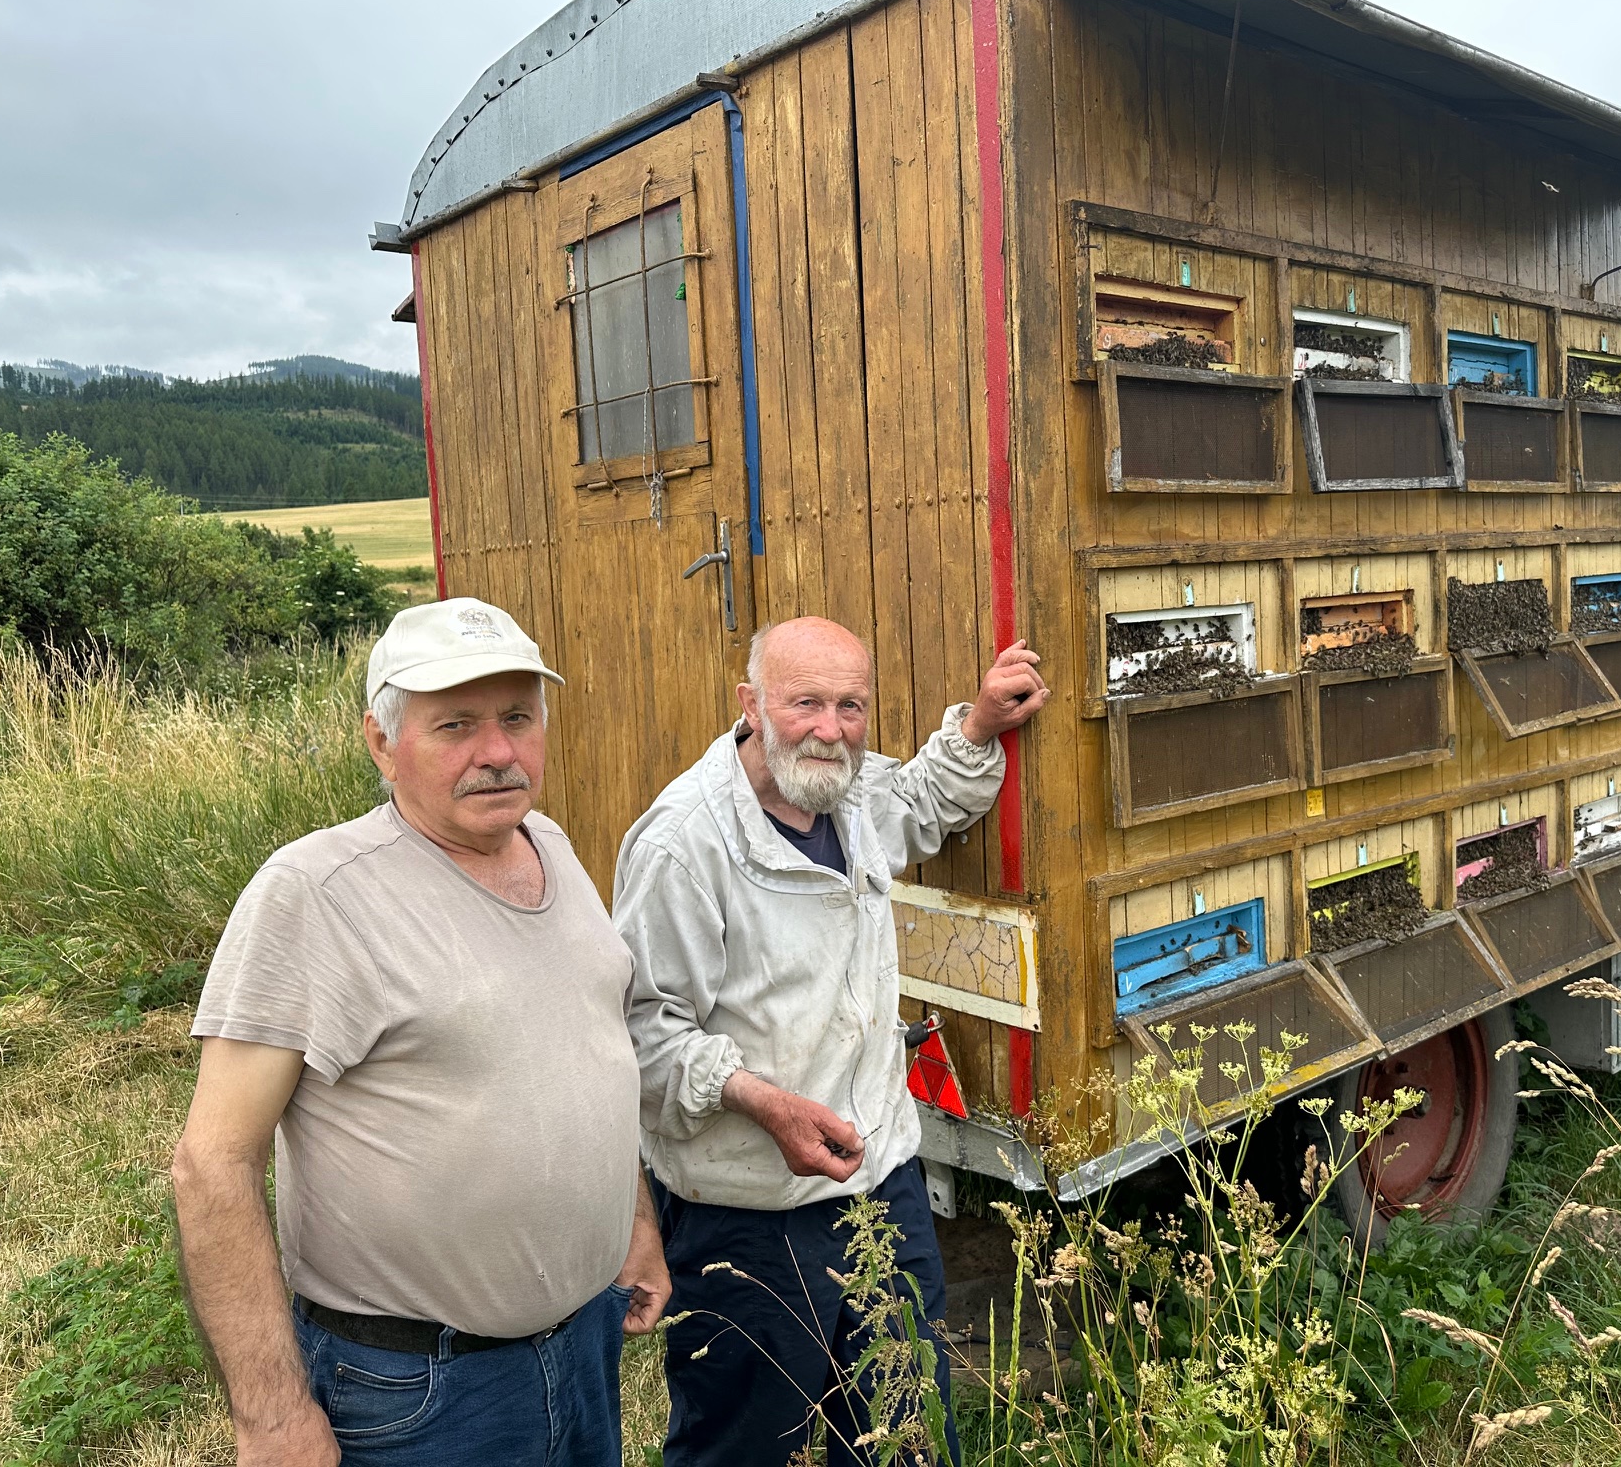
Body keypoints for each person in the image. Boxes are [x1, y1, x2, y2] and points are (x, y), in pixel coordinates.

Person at [172, 598, 668, 1466]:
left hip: (582, 1347)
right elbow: (211, 1163)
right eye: (456, 726)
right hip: (415, 1391)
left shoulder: (548, 843)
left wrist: (631, 1223)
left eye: (519, 717)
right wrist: (271, 1415)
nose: (499, 752)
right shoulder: (318, 894)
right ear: (380, 743)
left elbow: (587, 1054)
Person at [614, 616, 1050, 1466]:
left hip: (882, 1187)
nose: (830, 727)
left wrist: (982, 725)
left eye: (851, 706)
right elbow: (639, 1036)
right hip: (745, 1220)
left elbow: (921, 802)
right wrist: (763, 1102)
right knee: (743, 1448)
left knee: (904, 1437)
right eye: (805, 701)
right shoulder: (682, 845)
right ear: (750, 704)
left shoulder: (841, 790)